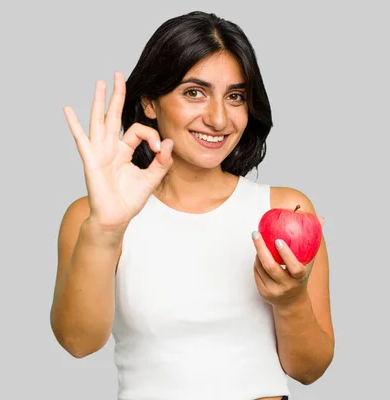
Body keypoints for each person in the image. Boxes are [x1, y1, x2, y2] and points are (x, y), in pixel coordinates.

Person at [50, 11, 335, 400]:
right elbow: (78, 343)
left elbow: (309, 370)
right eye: (194, 92)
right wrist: (107, 229)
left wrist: (289, 300)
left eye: (235, 96)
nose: (218, 119)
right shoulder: (92, 216)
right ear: (149, 101)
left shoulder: (285, 207)